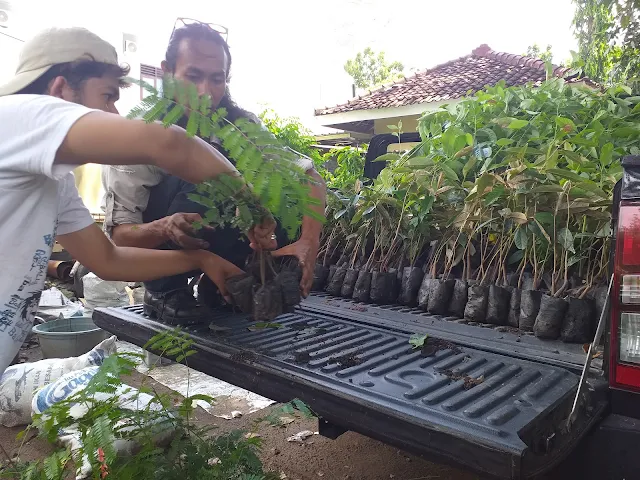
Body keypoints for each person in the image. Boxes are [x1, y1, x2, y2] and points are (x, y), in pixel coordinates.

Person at [0, 26, 273, 375]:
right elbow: (170, 145)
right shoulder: (19, 116)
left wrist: (203, 259)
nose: (113, 114)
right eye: (107, 96)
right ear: (60, 90)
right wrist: (247, 199)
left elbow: (108, 260)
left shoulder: (56, 182)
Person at [103, 20, 326, 325]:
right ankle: (164, 291)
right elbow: (121, 239)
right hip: (167, 248)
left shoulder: (241, 127)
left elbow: (309, 177)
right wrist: (165, 227)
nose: (205, 93)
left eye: (216, 79)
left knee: (276, 187)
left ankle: (230, 283)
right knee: (200, 186)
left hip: (214, 243)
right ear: (167, 72)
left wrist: (308, 243)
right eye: (192, 77)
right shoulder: (137, 134)